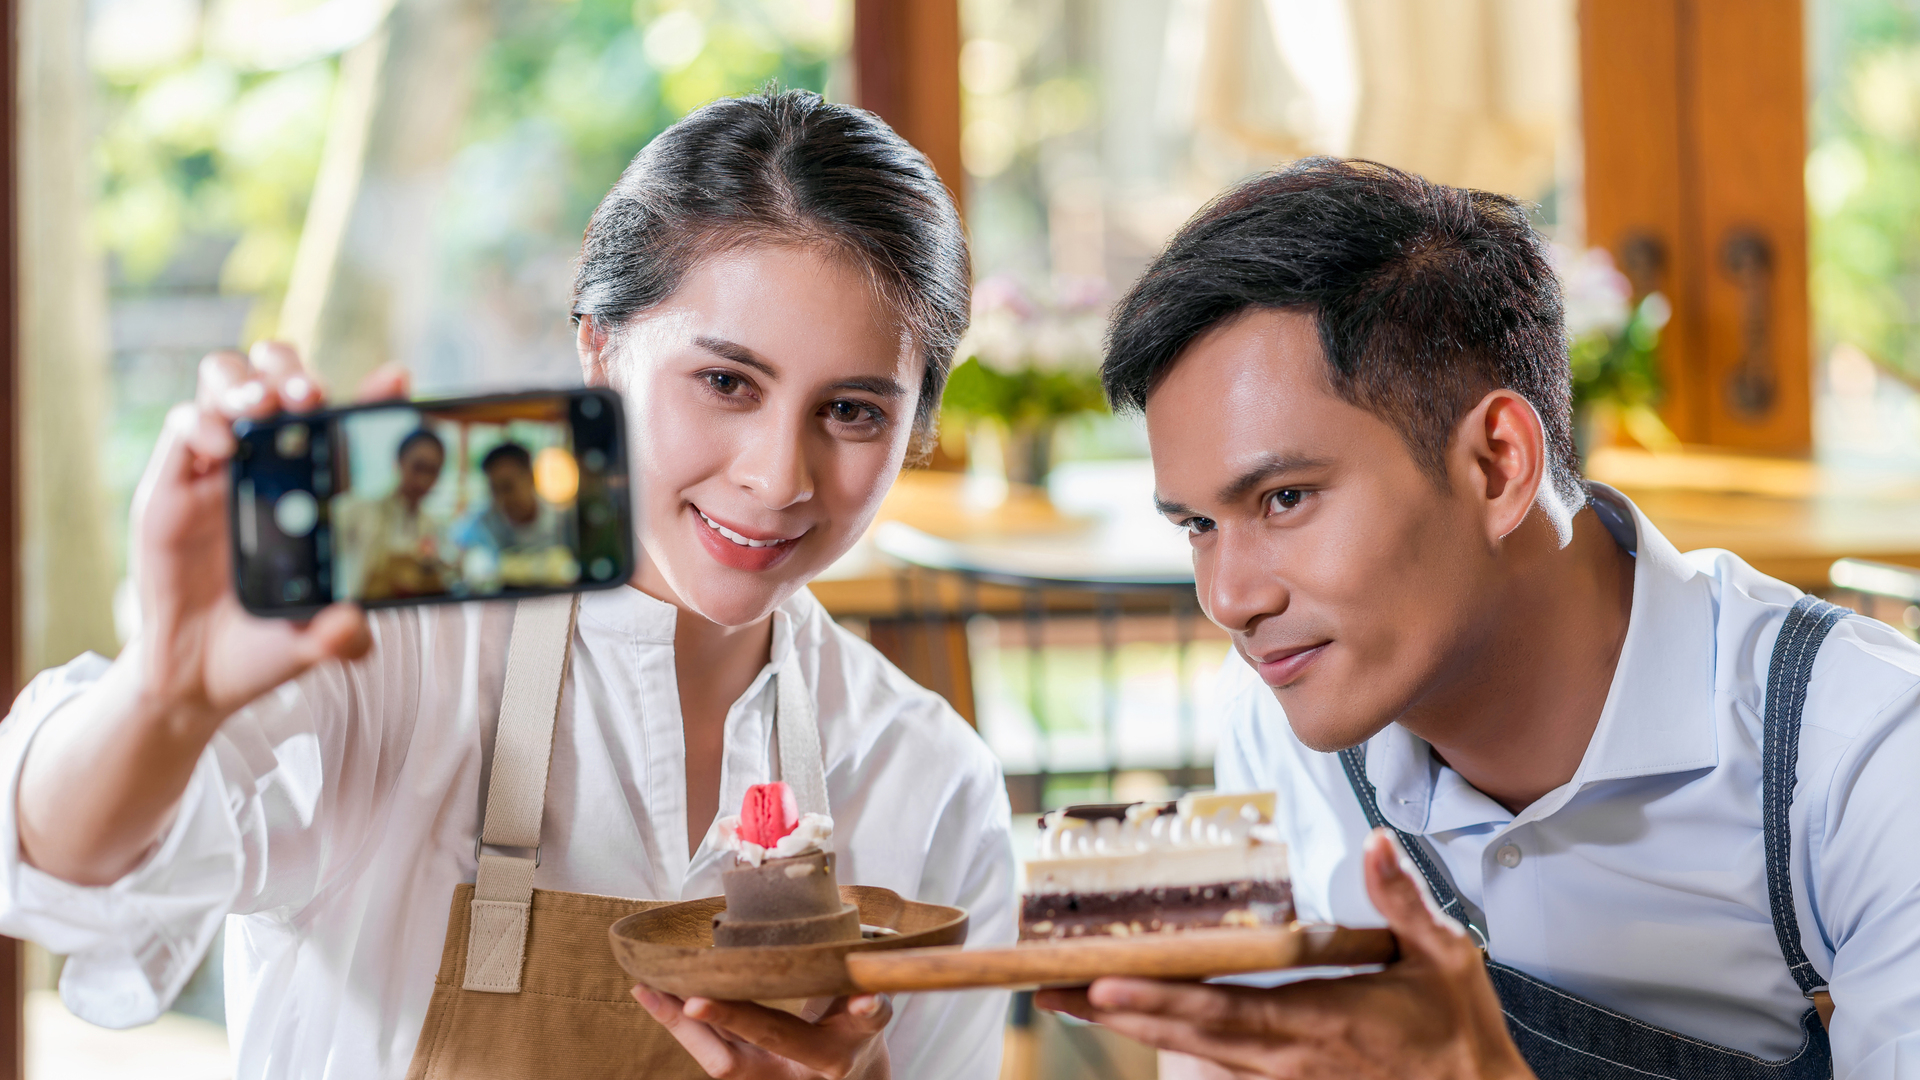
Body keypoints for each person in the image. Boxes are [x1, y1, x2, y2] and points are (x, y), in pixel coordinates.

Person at [0, 89, 1010, 1080]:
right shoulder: (387, 655)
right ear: (598, 351)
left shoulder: (930, 782)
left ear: (916, 427)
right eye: (725, 383)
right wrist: (167, 693)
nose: (777, 477)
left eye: (851, 411)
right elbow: (52, 867)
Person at [1039, 159, 1920, 1079]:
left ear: (1498, 465)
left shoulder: (1863, 754)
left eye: (1286, 497)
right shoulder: (1279, 708)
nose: (1230, 602)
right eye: (1197, 527)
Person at [336, 427, 453, 600]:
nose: (423, 480)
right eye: (418, 467)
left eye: (432, 470)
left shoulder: (430, 524)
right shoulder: (359, 510)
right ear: (399, 462)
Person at [451, 441, 575, 589]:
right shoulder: (481, 524)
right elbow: (457, 549)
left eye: (508, 487)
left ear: (530, 478)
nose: (503, 500)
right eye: (495, 490)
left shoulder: (563, 523)